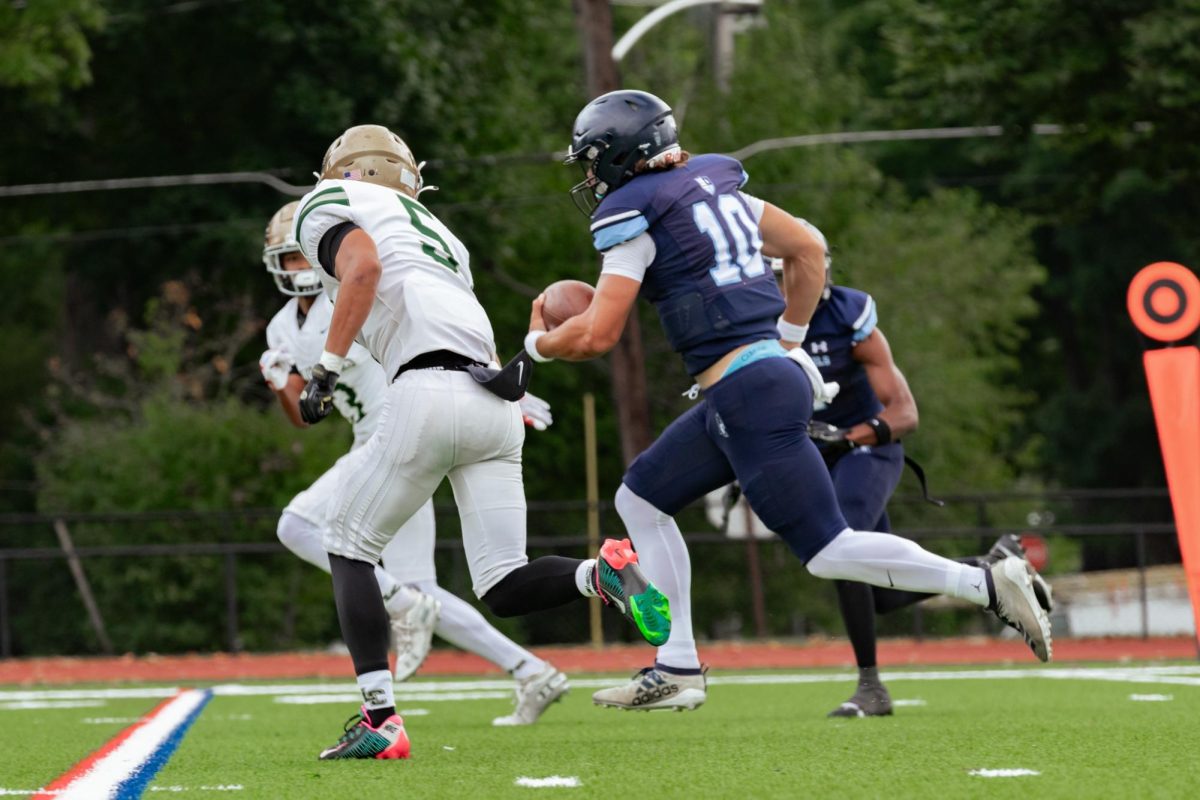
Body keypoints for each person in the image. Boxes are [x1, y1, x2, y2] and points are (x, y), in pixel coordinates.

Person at [524, 89, 1052, 712]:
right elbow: (806, 249)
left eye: (592, 159)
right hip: (754, 383)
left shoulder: (633, 217)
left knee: (830, 552)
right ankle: (678, 666)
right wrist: (791, 339)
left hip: (748, 391)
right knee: (639, 497)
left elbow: (598, 334)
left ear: (618, 154)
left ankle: (986, 583)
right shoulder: (722, 191)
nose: (590, 175)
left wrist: (537, 343)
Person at [291, 125, 671, 760]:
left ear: (343, 172)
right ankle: (598, 572)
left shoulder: (330, 204)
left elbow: (362, 268)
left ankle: (379, 720)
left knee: (346, 544)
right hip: (494, 399)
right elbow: (479, 341)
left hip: (425, 389)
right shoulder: (443, 237)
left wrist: (324, 371)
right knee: (502, 582)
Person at [259, 201, 569, 728]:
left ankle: (399, 623)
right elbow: (305, 412)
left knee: (300, 525)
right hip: (385, 439)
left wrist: (498, 390)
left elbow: (427, 340)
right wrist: (280, 382)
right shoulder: (283, 326)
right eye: (286, 260)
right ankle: (530, 669)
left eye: (297, 256)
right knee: (419, 588)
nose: (296, 269)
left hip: (401, 430)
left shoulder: (348, 294)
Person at [765, 227, 1053, 717]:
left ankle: (870, 685)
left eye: (793, 271)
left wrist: (846, 436)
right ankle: (989, 568)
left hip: (867, 450)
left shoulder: (847, 317)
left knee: (841, 542)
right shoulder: (757, 325)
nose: (785, 284)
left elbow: (904, 413)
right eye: (777, 274)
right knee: (879, 594)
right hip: (815, 458)